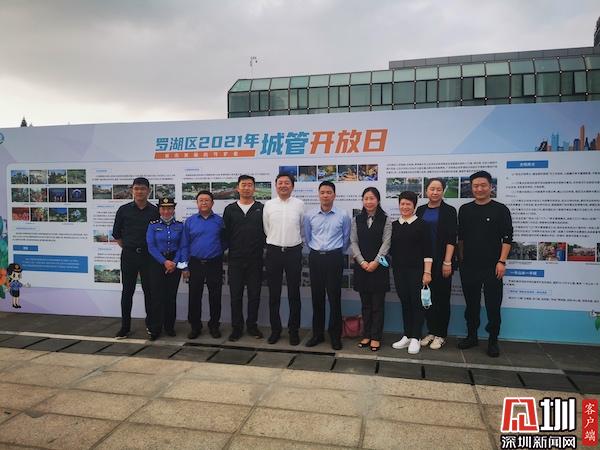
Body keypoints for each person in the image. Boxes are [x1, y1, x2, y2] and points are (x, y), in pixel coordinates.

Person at [457, 170, 512, 357]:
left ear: (491, 187)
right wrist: (461, 260)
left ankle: (493, 340)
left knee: (493, 306)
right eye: (475, 186)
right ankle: (471, 336)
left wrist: (501, 261)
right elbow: (461, 238)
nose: (479, 189)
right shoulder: (465, 209)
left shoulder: (501, 209)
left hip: (492, 267)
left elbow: (507, 238)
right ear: (471, 188)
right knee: (471, 305)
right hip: (469, 266)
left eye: (483, 185)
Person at [304, 181, 351, 350]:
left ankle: (335, 336)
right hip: (316, 258)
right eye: (322, 192)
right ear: (318, 194)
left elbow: (346, 238)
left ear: (334, 195)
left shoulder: (343, 215)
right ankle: (317, 334)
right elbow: (307, 237)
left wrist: (335, 252)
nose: (325, 195)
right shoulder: (309, 215)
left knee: (334, 298)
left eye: (329, 192)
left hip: (334, 258)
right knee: (317, 298)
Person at [112, 177, 159, 339]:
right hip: (129, 255)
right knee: (127, 292)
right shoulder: (123, 210)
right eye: (136, 188)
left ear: (148, 191)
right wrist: (129, 248)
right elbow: (117, 234)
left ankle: (151, 326)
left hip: (148, 256)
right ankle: (125, 327)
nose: (139, 191)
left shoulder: (155, 211)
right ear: (132, 190)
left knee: (150, 292)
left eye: (143, 189)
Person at [222, 175, 266, 342]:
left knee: (254, 295)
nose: (247, 188)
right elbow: (225, 234)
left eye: (250, 185)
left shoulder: (261, 208)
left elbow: (266, 232)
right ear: (237, 188)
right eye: (243, 185)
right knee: (236, 295)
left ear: (254, 188)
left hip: (256, 259)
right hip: (235, 259)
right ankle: (237, 328)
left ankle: (252, 326)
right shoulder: (230, 209)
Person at [263, 173, 304, 345]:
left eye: (287, 183)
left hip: (293, 251)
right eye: (280, 183)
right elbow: (266, 228)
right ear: (276, 186)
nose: (283, 185)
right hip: (274, 252)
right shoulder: (269, 205)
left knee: (294, 293)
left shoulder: (300, 204)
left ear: (292, 186)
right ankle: (275, 330)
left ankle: (294, 331)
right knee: (274, 294)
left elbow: (301, 227)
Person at [416, 178, 457, 350]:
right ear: (426, 190)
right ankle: (431, 331)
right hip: (424, 261)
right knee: (427, 297)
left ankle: (441, 334)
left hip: (442, 261)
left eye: (438, 189)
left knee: (442, 298)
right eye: (432, 189)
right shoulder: (420, 210)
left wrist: (447, 261)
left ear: (443, 191)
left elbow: (451, 238)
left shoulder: (449, 211)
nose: (435, 192)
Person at [390, 191, 433, 355]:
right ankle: (407, 335)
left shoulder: (422, 225)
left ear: (414, 205)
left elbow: (428, 251)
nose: (405, 207)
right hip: (399, 271)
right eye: (402, 203)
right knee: (405, 302)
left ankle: (416, 337)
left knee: (417, 304)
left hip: (417, 271)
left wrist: (427, 272)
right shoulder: (394, 225)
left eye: (408, 204)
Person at [350, 187, 391, 352]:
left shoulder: (385, 219)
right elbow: (353, 242)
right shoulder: (357, 219)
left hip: (379, 268)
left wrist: (375, 262)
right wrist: (361, 261)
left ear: (378, 200)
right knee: (365, 304)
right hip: (362, 267)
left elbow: (386, 243)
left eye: (372, 198)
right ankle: (366, 335)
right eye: (366, 198)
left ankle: (376, 337)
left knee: (377, 305)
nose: (369, 201)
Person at [181, 190, 225, 340]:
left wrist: (217, 251)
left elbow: (225, 241)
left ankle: (214, 326)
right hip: (195, 263)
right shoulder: (190, 221)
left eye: (207, 200)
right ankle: (195, 327)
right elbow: (184, 245)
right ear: (197, 203)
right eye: (201, 200)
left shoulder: (219, 221)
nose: (204, 202)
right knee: (194, 296)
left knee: (215, 296)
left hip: (214, 263)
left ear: (212, 203)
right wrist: (184, 266)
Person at [146, 197, 184, 340]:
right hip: (157, 262)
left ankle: (169, 327)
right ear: (159, 210)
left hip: (174, 262)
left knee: (170, 297)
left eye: (169, 208)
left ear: (173, 209)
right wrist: (164, 262)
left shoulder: (180, 226)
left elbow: (182, 246)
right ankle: (155, 328)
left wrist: (174, 262)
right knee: (157, 297)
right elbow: (151, 246)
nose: (166, 211)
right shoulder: (153, 226)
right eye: (163, 208)